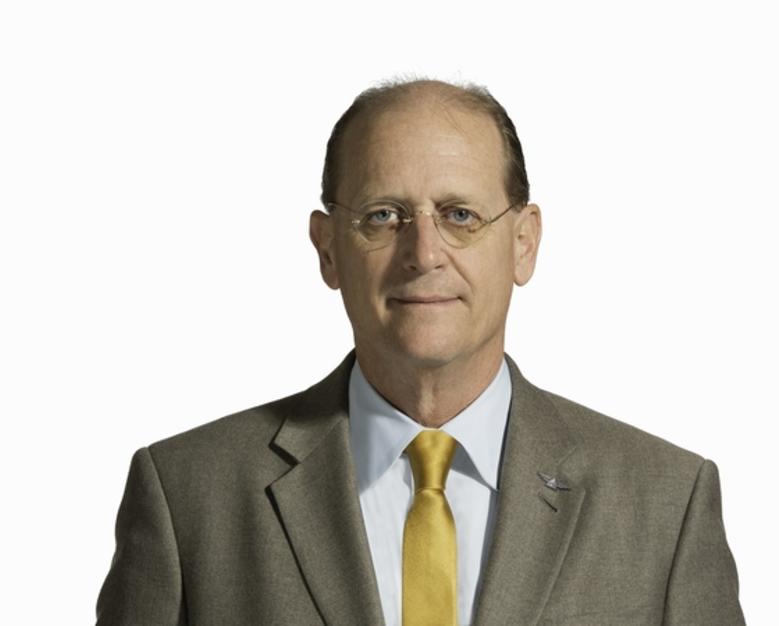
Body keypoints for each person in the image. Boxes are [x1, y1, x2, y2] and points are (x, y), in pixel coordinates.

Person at [96, 79, 744, 625]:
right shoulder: (188, 496)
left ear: (523, 243)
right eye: (383, 215)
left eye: (460, 215)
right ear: (328, 248)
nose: (424, 253)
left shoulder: (666, 505)